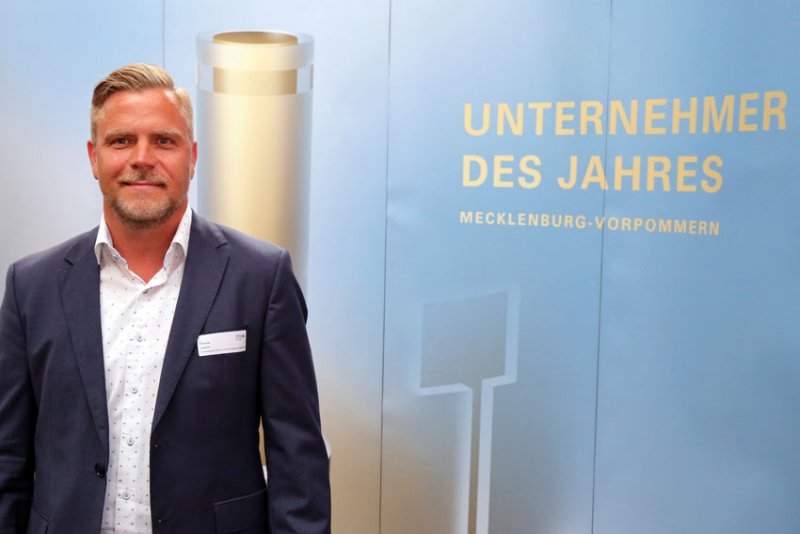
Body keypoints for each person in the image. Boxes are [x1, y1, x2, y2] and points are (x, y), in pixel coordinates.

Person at [0, 64, 330, 534]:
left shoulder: (261, 277)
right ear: (94, 157)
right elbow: (8, 458)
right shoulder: (31, 286)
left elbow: (298, 457)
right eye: (121, 141)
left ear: (192, 157)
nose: (142, 158)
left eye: (163, 141)